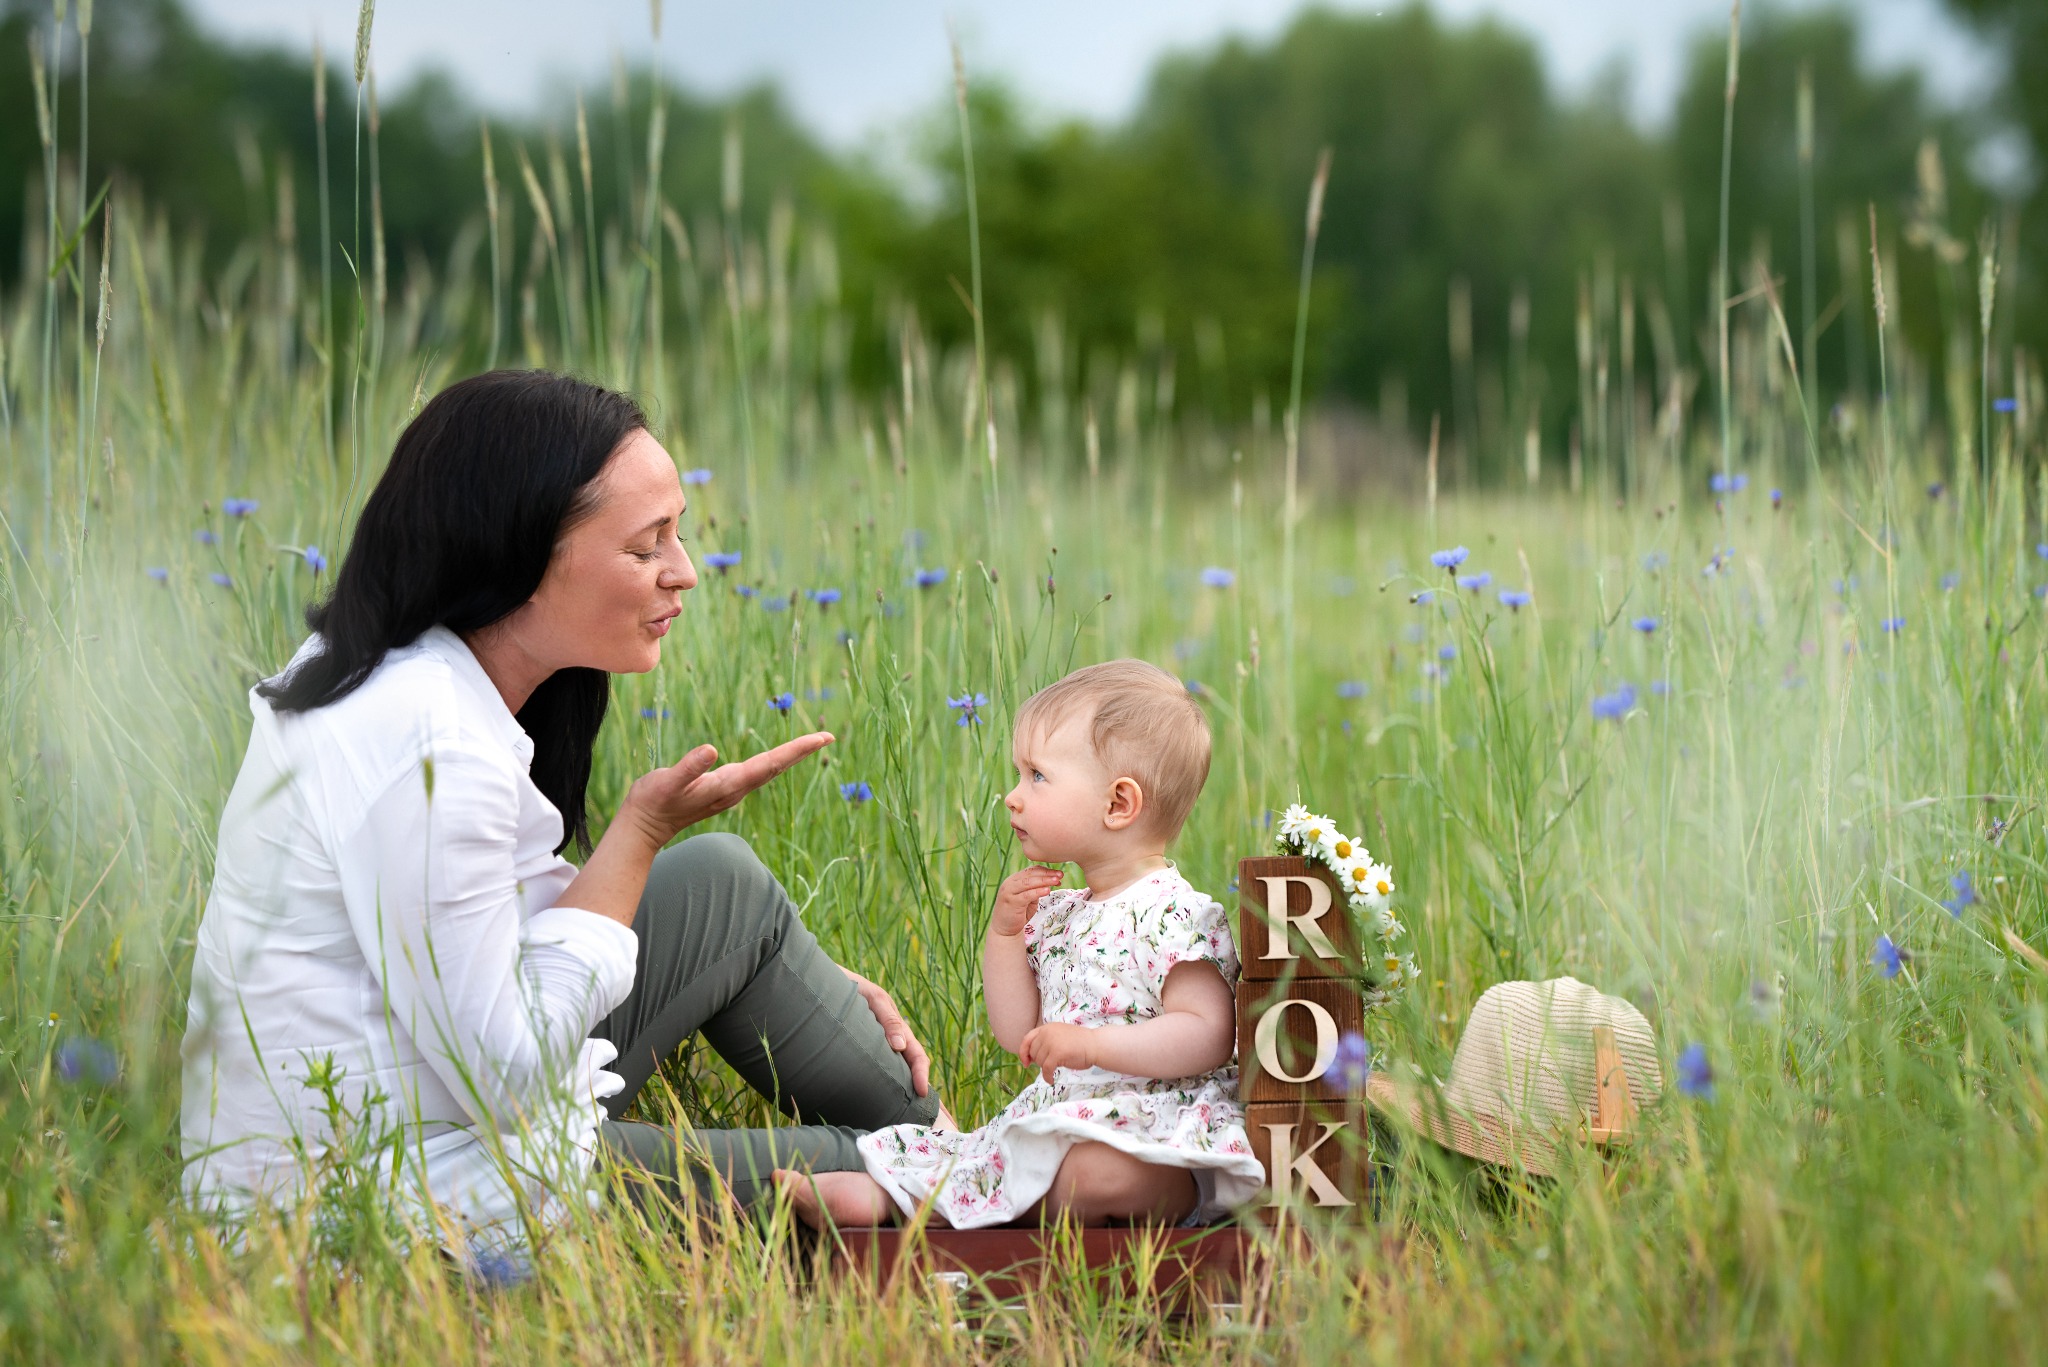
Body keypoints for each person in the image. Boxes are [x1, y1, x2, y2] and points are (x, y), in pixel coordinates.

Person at [179, 370, 945, 1256]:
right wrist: (640, 833)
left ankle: (988, 1157)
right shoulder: (430, 747)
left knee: (723, 886)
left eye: (678, 535)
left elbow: (476, 933)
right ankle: (988, 1185)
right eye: (645, 545)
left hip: (431, 1092)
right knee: (874, 1165)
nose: (684, 572)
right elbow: (498, 1074)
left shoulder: (400, 662)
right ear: (521, 552)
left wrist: (812, 994)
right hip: (383, 1193)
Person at [778, 660, 1263, 1230]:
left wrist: (1093, 1047)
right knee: (991, 1159)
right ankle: (897, 1201)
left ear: (1118, 805)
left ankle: (968, 1213)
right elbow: (1018, 1033)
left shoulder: (1175, 913)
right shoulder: (1059, 913)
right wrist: (1006, 936)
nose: (1012, 796)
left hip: (1153, 1131)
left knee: (1098, 1174)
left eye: (1036, 776)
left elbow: (1207, 1034)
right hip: (1059, 1121)